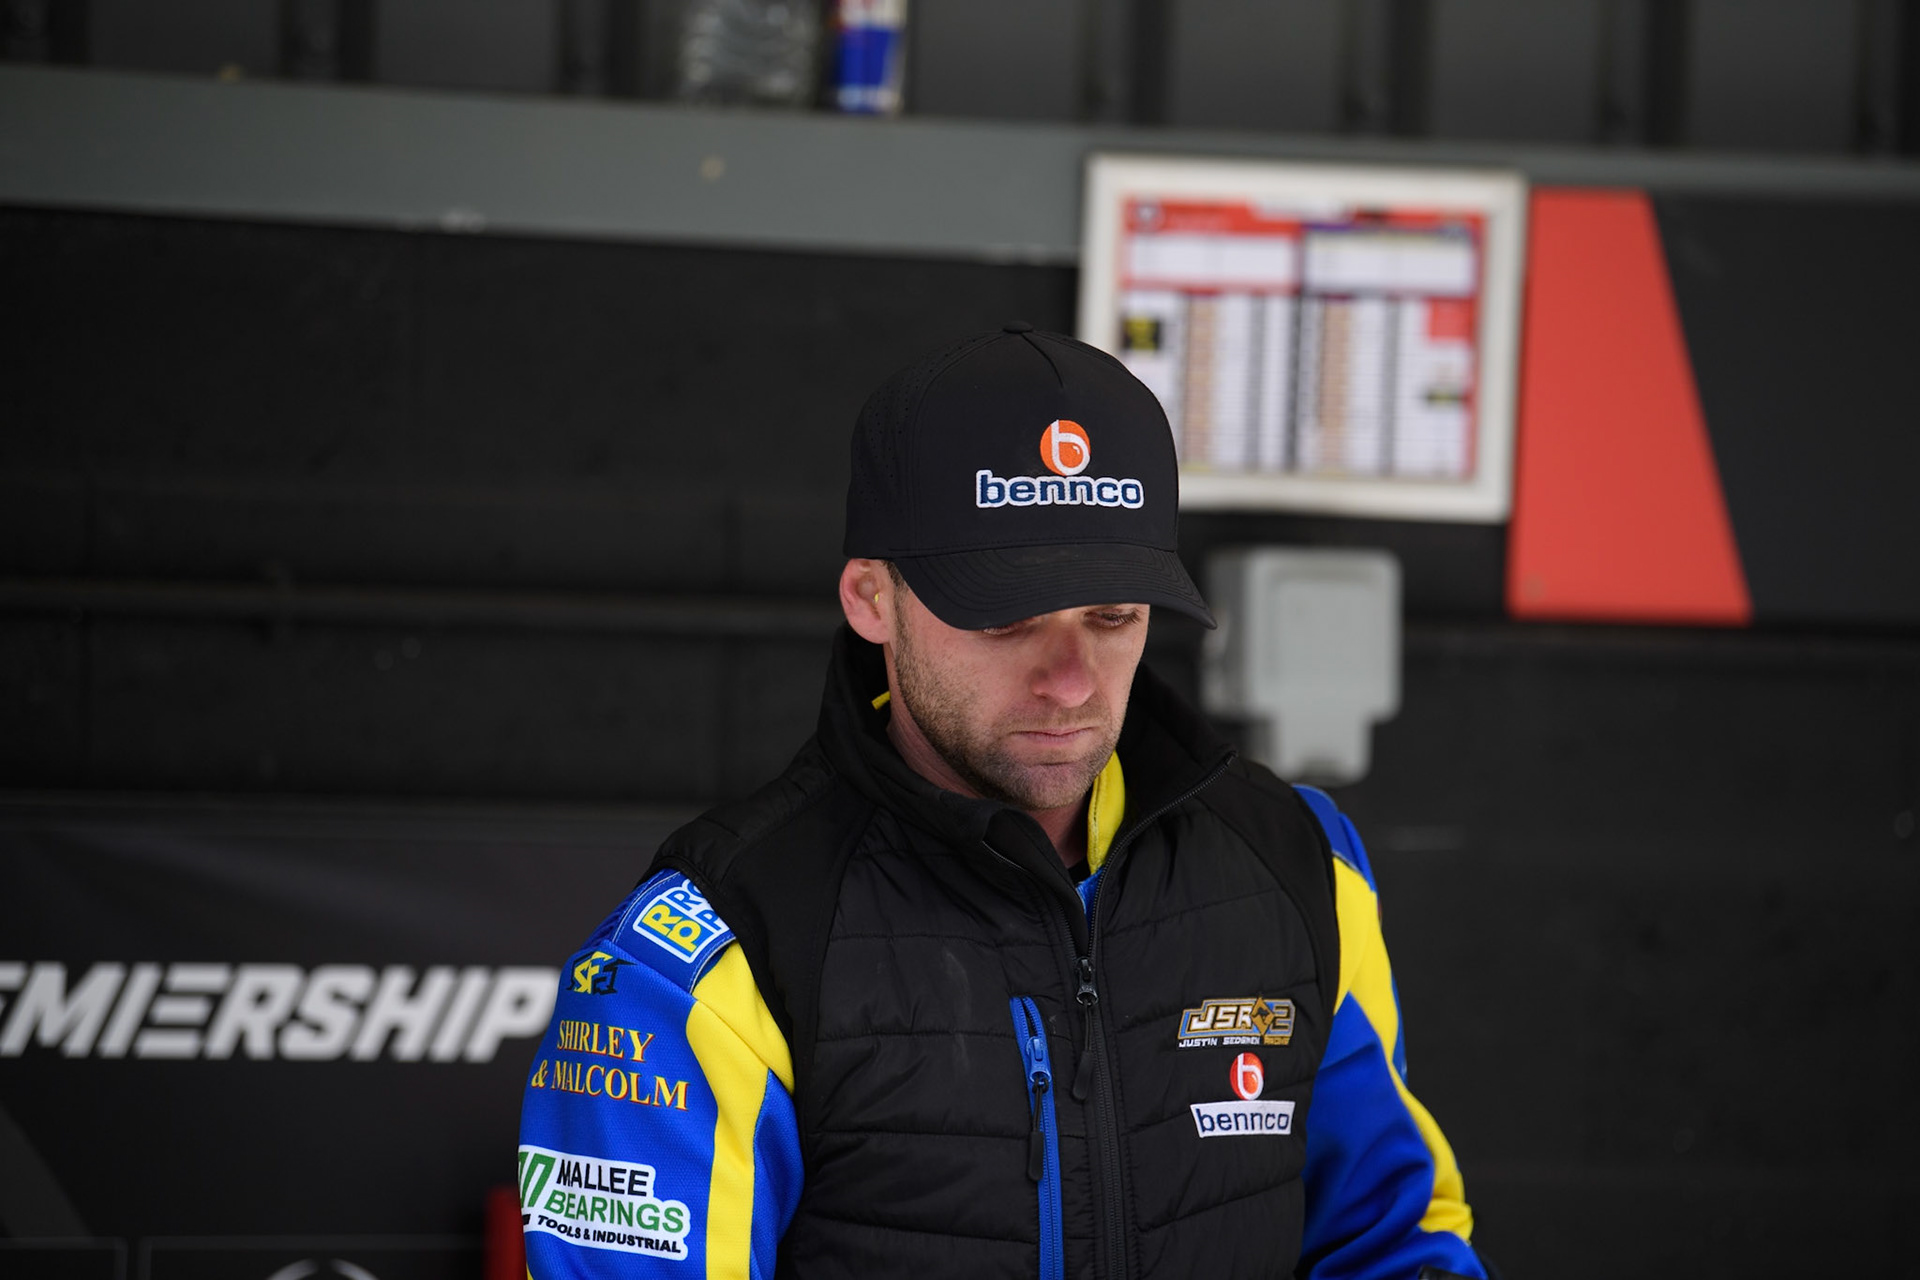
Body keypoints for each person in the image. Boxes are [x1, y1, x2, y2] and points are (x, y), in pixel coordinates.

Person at [517, 324, 1488, 1279]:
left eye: (1113, 616)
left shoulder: (1300, 860)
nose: (1071, 680)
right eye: (1006, 618)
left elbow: (1395, 1239)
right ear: (871, 598)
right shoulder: (714, 950)